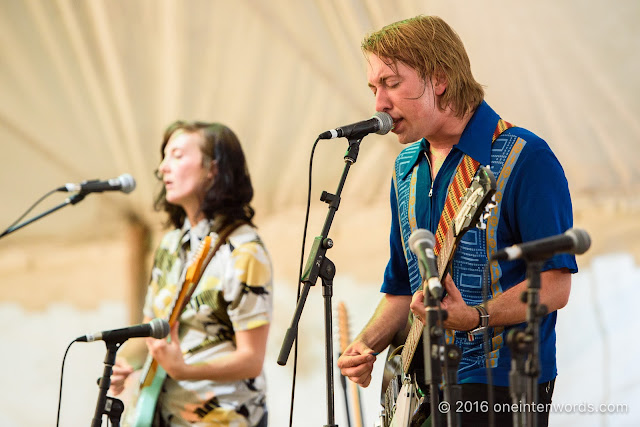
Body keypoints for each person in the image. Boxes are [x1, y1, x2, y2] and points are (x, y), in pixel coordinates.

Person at [336, 15, 577, 427]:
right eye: (374, 88)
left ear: (440, 79)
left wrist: (477, 316)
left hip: (502, 384)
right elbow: (401, 290)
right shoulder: (406, 168)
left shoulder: (526, 157)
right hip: (419, 383)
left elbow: (555, 286)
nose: (378, 104)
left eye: (392, 84)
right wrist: (367, 345)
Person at [109, 121, 272, 427]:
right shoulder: (169, 246)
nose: (162, 168)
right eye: (164, 157)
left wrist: (185, 370)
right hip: (161, 413)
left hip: (223, 417)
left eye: (177, 155)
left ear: (213, 168)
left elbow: (252, 359)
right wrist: (123, 368)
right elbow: (151, 333)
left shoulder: (244, 250)